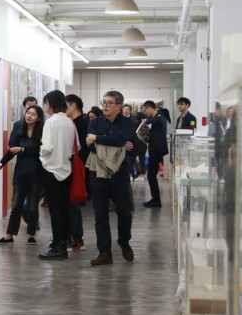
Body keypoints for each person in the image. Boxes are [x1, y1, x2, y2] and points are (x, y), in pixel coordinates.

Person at [85, 90, 136, 266]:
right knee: (100, 213)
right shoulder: (94, 122)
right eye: (103, 102)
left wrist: (98, 138)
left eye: (109, 103)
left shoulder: (127, 122)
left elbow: (121, 139)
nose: (105, 106)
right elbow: (91, 147)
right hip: (98, 172)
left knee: (124, 211)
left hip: (119, 173)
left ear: (119, 106)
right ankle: (104, 252)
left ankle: (124, 240)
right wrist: (115, 143)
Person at [0, 104, 44, 245]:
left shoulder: (42, 132)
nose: (29, 116)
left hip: (37, 174)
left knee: (32, 206)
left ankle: (31, 234)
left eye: (33, 114)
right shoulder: (20, 130)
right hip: (21, 173)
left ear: (39, 118)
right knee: (16, 205)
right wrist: (1, 163)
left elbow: (41, 151)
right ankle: (9, 235)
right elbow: (12, 150)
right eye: (28, 113)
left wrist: (23, 149)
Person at [38, 90, 76, 260]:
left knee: (55, 211)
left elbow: (47, 147)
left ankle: (57, 246)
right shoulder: (69, 122)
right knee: (64, 208)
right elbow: (76, 148)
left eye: (46, 103)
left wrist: (41, 153)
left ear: (51, 104)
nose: (45, 106)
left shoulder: (50, 122)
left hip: (52, 170)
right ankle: (64, 243)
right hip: (66, 170)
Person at [64, 94, 89, 251]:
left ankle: (73, 238)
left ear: (73, 106)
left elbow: (83, 149)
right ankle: (77, 238)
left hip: (78, 168)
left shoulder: (81, 124)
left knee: (72, 204)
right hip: (75, 167)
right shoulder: (73, 123)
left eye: (65, 105)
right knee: (73, 204)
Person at [141, 101, 168, 207]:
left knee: (151, 175)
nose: (145, 112)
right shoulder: (157, 118)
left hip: (156, 150)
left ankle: (156, 200)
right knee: (151, 175)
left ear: (149, 108)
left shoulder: (160, 116)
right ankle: (155, 198)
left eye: (145, 110)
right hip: (153, 149)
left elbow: (154, 120)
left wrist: (144, 121)